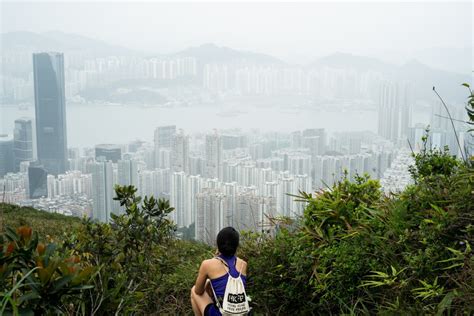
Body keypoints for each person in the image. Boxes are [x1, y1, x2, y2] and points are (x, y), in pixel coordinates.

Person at [190, 227, 248, 316]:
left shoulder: (207, 264)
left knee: (194, 290)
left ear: (218, 244)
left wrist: (208, 281)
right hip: (241, 313)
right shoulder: (243, 264)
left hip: (221, 314)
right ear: (236, 246)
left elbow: (199, 291)